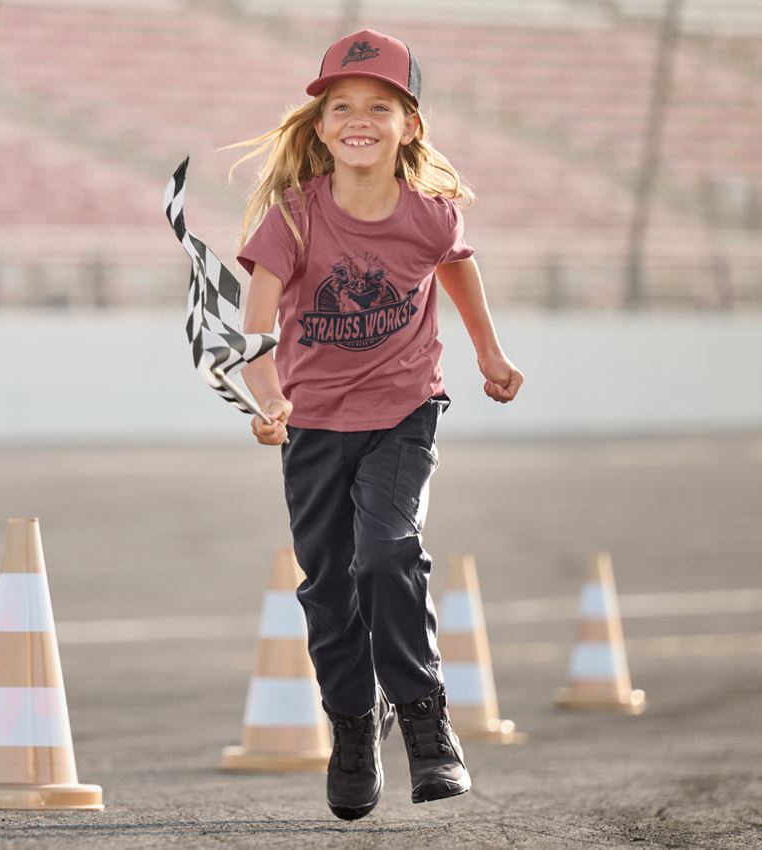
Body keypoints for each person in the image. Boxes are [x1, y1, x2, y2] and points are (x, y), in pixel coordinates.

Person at [230, 28, 524, 821]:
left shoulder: (428, 217)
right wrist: (266, 397)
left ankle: (427, 720)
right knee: (329, 590)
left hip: (404, 412)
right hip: (315, 425)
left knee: (386, 554)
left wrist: (490, 356)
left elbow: (458, 265)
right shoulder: (291, 220)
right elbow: (255, 329)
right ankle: (355, 728)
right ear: (321, 126)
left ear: (410, 125)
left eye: (380, 106)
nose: (359, 119)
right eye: (342, 107)